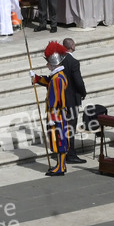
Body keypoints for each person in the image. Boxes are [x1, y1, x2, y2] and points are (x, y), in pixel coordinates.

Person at [31, 41, 70, 176]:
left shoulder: (58, 78)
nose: (47, 65)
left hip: (56, 114)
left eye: (48, 63)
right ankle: (61, 165)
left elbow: (56, 99)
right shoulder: (56, 76)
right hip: (57, 114)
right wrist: (36, 78)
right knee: (58, 138)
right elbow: (47, 82)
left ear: (53, 63)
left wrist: (52, 116)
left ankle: (60, 167)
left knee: (59, 139)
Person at [61, 38, 87, 164]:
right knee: (71, 126)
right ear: (71, 46)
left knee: (64, 127)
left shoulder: (60, 60)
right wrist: (83, 92)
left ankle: (64, 151)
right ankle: (71, 154)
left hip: (62, 99)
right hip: (71, 100)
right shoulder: (73, 62)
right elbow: (78, 82)